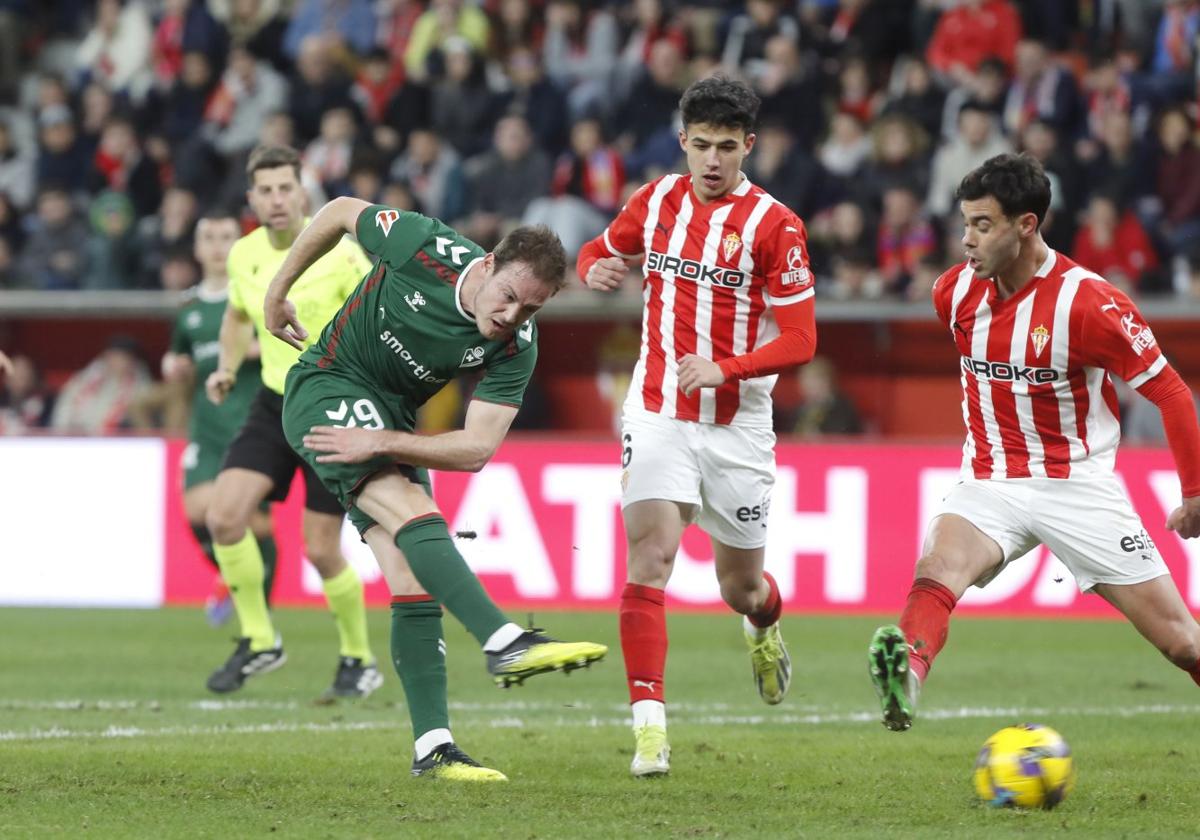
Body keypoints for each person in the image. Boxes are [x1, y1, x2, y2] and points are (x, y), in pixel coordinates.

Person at [263, 199, 608, 782]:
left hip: (388, 421)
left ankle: (434, 746)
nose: (511, 315)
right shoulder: (426, 246)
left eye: (530, 308)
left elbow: (475, 450)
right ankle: (504, 640)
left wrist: (384, 442)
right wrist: (278, 290)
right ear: (489, 261)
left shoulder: (517, 346)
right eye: (508, 295)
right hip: (328, 386)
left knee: (411, 575)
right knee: (413, 511)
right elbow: (341, 211)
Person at [868, 153, 1200, 732]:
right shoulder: (954, 293)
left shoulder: (1091, 305)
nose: (966, 240)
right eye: (964, 224)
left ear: (1026, 225)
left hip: (1075, 485)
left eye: (982, 225)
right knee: (938, 565)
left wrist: (1195, 492)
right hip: (990, 478)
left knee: (1180, 643)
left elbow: (1173, 395)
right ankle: (908, 674)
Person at [576, 75, 818, 777]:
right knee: (649, 557)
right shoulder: (654, 202)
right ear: (683, 141)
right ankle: (650, 730)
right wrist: (595, 269)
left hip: (736, 425)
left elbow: (801, 338)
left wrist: (729, 368)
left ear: (750, 146)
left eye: (727, 148)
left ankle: (763, 626)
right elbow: (600, 249)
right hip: (655, 410)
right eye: (701, 145)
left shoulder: (777, 226)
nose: (713, 161)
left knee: (740, 587)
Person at [203, 144, 381, 699]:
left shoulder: (345, 256)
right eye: (266, 190)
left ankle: (358, 659)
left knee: (321, 549)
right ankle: (260, 639)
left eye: (286, 188)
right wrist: (227, 367)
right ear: (251, 199)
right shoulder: (244, 254)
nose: (277, 200)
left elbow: (378, 322)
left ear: (303, 192)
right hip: (274, 401)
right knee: (224, 517)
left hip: (330, 408)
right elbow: (236, 316)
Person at [162, 210, 276, 627]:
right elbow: (178, 354)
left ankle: (258, 617)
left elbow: (291, 338)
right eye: (207, 237)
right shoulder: (189, 308)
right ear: (196, 248)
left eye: (225, 236)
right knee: (197, 511)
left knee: (256, 524)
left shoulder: (256, 293)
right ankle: (233, 578)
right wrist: (173, 365)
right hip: (207, 426)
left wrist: (254, 347)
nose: (215, 246)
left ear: (239, 244)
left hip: (250, 422)